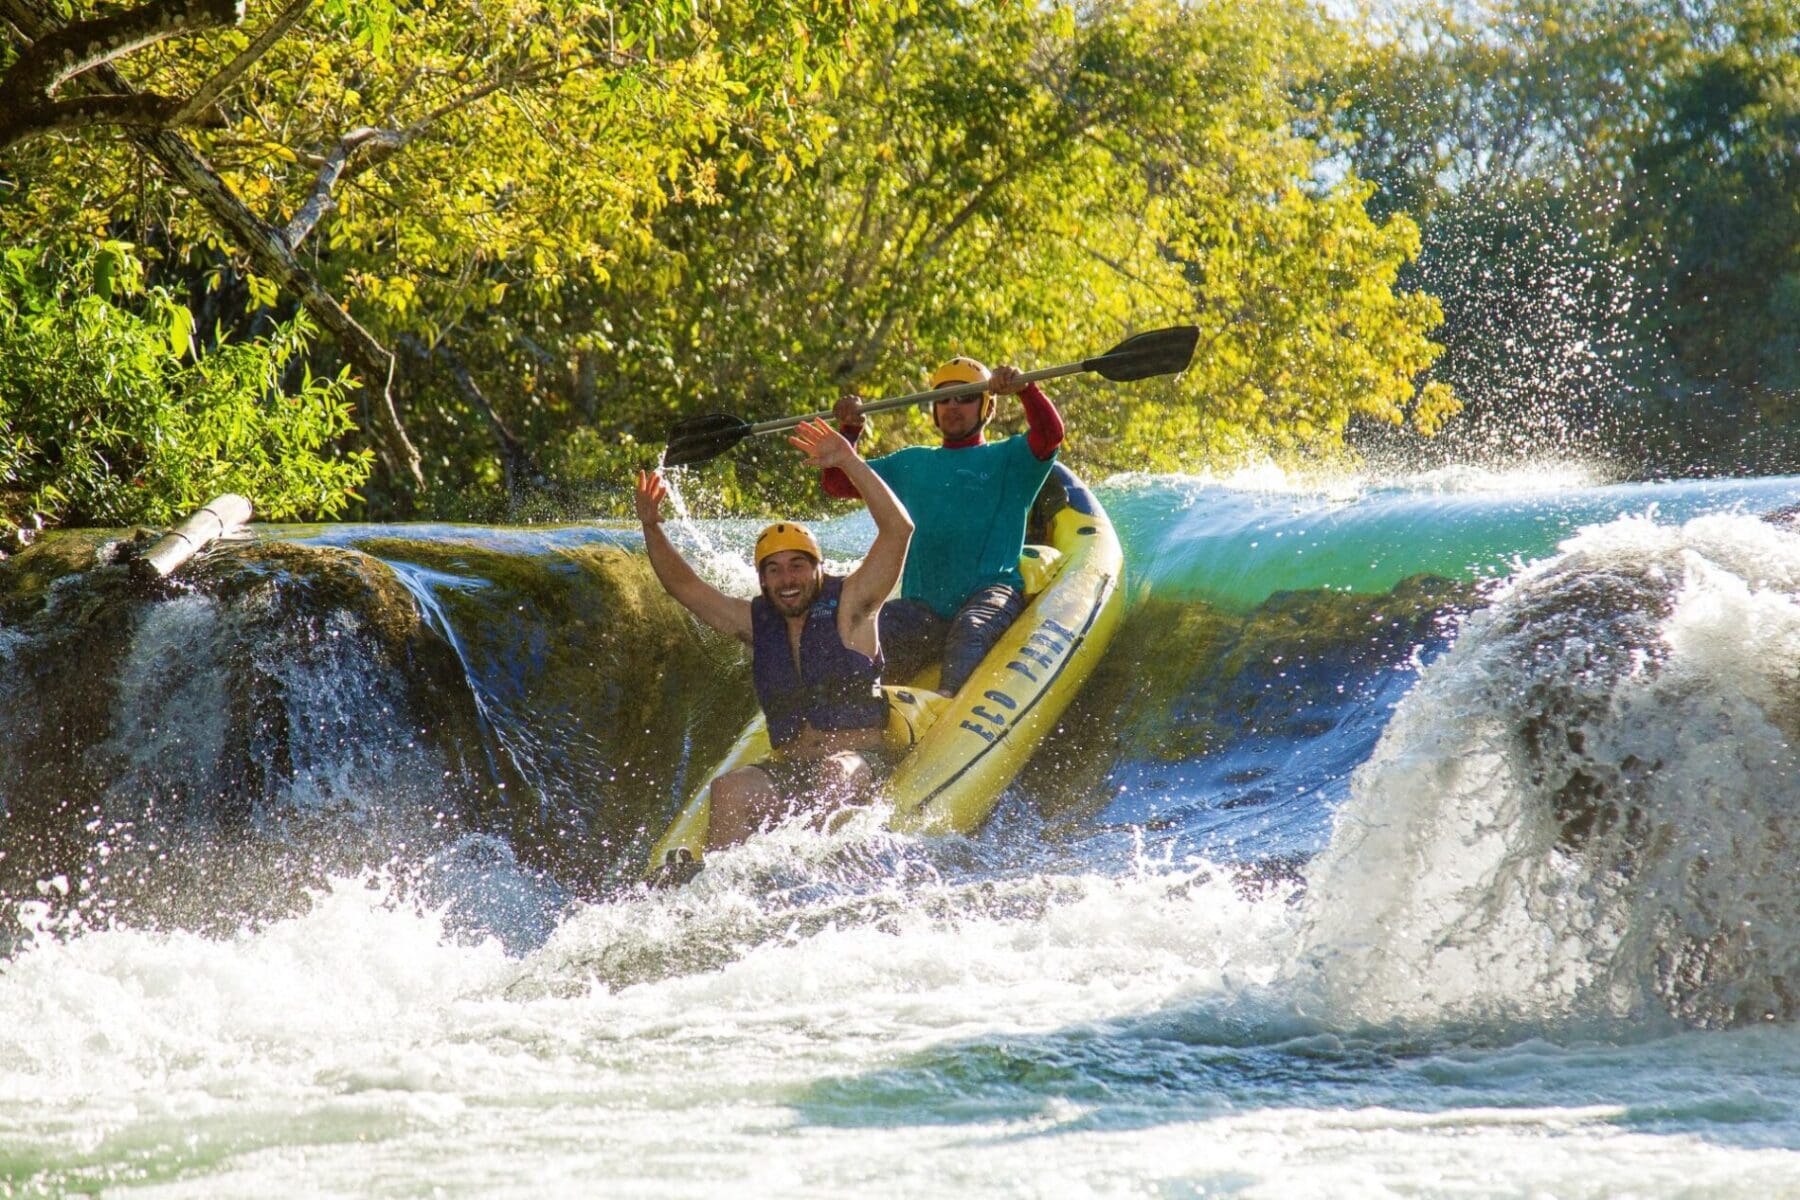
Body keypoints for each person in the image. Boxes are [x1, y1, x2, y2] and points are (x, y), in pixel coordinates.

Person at [635, 418, 913, 855]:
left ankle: (809, 880)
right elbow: (685, 588)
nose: (787, 578)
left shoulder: (853, 605)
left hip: (861, 764)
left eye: (798, 565)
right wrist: (652, 527)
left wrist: (848, 461)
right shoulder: (754, 622)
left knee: (834, 775)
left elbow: (899, 530)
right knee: (728, 789)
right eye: (774, 569)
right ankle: (716, 894)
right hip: (794, 769)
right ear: (762, 580)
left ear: (818, 570)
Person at [819, 356, 1064, 695]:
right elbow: (835, 483)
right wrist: (850, 429)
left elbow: (1050, 434)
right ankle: (845, 710)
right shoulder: (909, 463)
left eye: (966, 397)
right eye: (943, 399)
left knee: (971, 629)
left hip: (989, 593)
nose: (953, 406)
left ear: (987, 409)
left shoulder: (1012, 458)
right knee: (858, 627)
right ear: (933, 409)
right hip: (924, 610)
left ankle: (952, 711)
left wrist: (1027, 390)